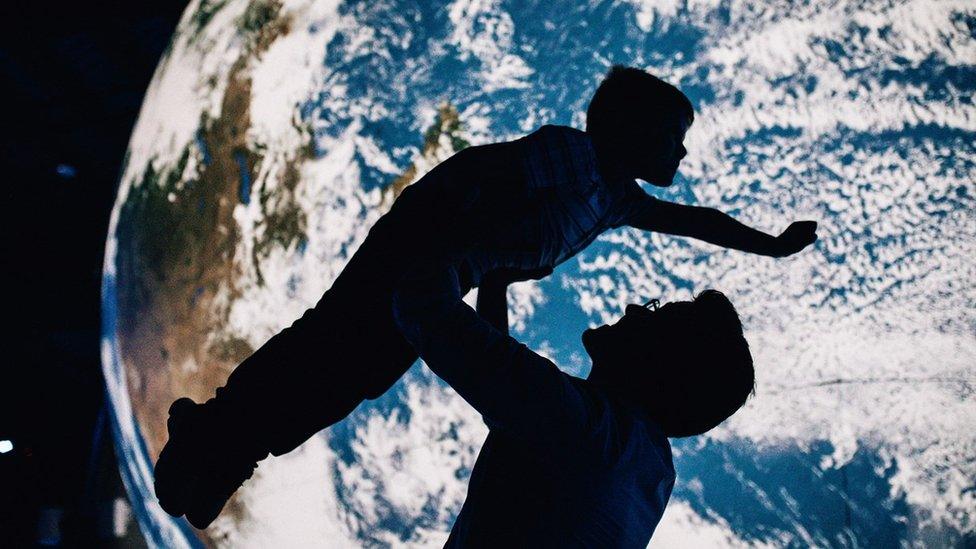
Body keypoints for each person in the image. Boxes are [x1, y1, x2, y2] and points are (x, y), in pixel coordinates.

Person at [154, 65, 817, 529]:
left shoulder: (615, 200)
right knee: (334, 342)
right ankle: (214, 430)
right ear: (632, 134)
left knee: (361, 372)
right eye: (673, 135)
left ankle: (233, 447)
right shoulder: (573, 158)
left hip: (445, 270)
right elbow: (484, 175)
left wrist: (771, 244)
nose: (681, 150)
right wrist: (446, 243)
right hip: (422, 245)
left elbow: (697, 220)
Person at [391, 263, 755, 547]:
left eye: (655, 316)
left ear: (663, 365)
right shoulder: (646, 469)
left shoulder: (588, 430)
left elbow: (426, 307)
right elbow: (514, 405)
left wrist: (450, 237)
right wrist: (494, 282)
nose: (634, 309)